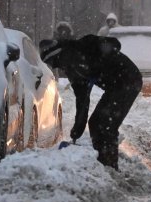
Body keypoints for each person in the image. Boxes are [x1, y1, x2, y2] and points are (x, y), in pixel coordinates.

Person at [40, 34, 142, 171]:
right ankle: (103, 164)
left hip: (128, 80)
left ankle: (110, 166)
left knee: (106, 124)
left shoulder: (83, 45)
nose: (55, 66)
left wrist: (100, 61)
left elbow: (113, 43)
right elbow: (82, 101)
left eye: (53, 62)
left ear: (58, 54)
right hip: (115, 86)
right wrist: (77, 131)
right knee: (96, 123)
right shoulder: (73, 71)